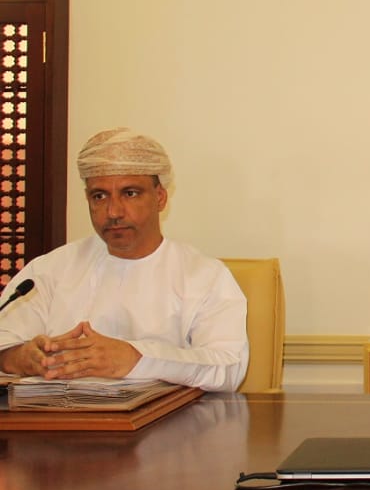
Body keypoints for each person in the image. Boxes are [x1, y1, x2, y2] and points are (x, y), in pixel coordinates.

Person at [0, 128, 249, 392]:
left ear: (160, 197)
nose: (113, 212)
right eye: (99, 196)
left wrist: (137, 359)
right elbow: (5, 343)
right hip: (57, 415)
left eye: (130, 193)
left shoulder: (204, 275)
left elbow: (228, 369)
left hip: (168, 418)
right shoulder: (49, 270)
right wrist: (20, 358)